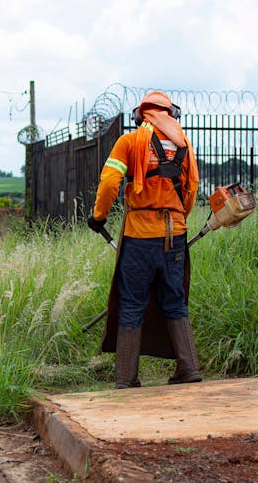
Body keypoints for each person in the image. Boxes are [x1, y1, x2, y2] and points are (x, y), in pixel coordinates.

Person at [87, 90, 202, 389]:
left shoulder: (130, 142)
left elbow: (111, 181)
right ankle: (188, 369)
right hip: (174, 234)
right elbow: (191, 189)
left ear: (141, 114)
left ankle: (126, 378)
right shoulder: (184, 145)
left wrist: (99, 216)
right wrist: (179, 220)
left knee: (132, 302)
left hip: (139, 237)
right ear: (171, 113)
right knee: (175, 300)